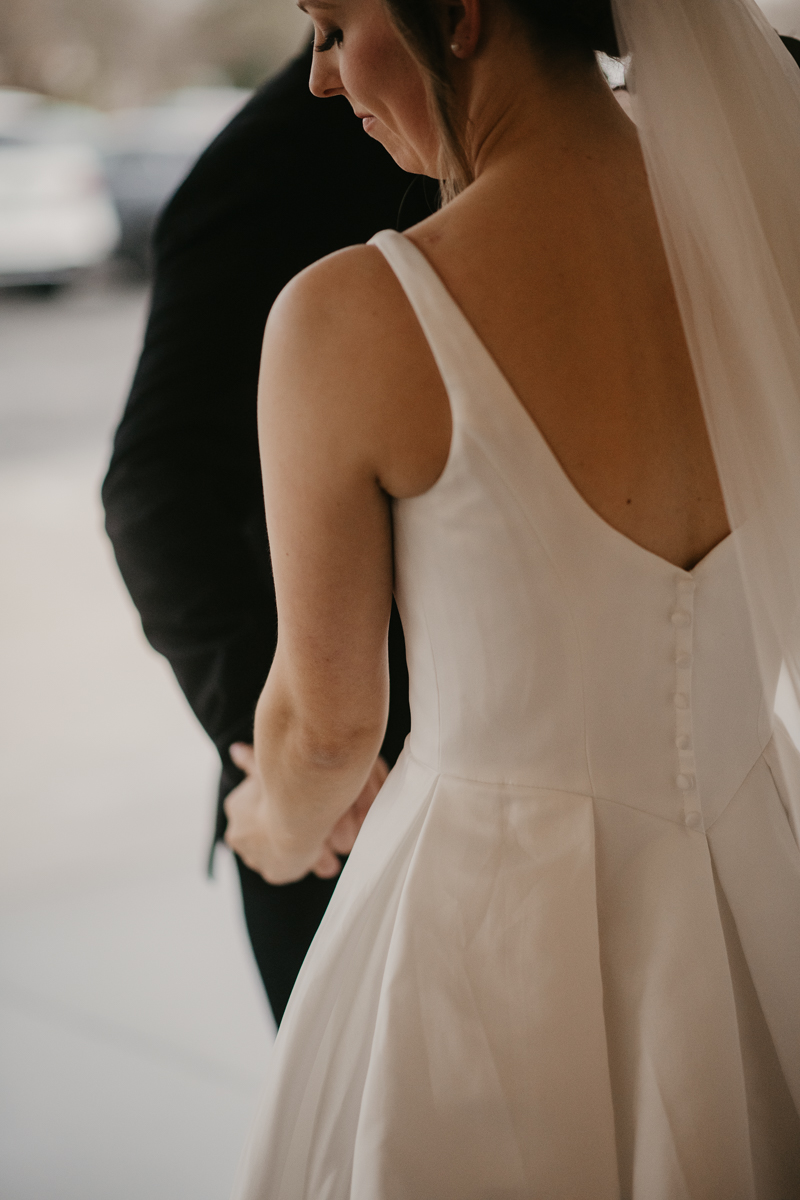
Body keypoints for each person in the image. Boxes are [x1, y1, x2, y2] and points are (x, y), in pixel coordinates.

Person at [221, 0, 800, 1193]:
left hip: (491, 930)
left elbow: (328, 729)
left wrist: (269, 827)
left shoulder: (352, 316)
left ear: (460, 14)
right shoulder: (768, 230)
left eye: (333, 25)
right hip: (759, 885)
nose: (325, 80)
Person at [101, 43, 435, 1025]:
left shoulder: (646, 144)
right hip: (363, 803)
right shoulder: (267, 168)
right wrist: (289, 755)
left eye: (338, 23)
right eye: (317, 27)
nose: (327, 69)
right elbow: (156, 488)